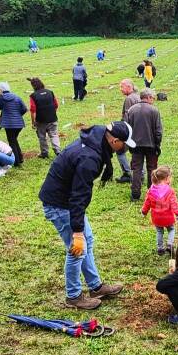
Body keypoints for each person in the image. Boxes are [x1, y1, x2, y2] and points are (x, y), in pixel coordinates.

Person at [39, 122, 133, 309]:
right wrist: (77, 232)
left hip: (66, 201)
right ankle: (73, 296)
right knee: (77, 249)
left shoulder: (96, 138)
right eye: (125, 145)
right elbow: (78, 196)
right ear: (114, 140)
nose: (126, 149)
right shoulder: (89, 157)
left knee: (87, 241)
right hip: (60, 205)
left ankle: (95, 286)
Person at [125, 88, 164, 202]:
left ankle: (135, 194)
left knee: (136, 169)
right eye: (152, 98)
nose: (153, 100)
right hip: (151, 145)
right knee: (152, 169)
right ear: (148, 97)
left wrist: (130, 143)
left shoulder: (131, 110)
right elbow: (158, 131)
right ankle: (152, 193)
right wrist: (158, 144)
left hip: (135, 145)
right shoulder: (154, 111)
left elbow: (127, 128)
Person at [141, 166, 178, 256]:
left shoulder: (151, 190)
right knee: (171, 229)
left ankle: (160, 248)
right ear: (167, 178)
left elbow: (147, 203)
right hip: (168, 217)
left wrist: (144, 212)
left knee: (159, 231)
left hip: (156, 218)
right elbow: (174, 204)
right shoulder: (169, 191)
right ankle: (170, 244)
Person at [0, 82, 28, 169]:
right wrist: (18, 116)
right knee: (14, 140)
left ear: (1, 90)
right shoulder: (16, 97)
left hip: (8, 124)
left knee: (12, 142)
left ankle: (16, 162)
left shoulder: (1, 97)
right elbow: (24, 109)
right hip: (19, 124)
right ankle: (20, 158)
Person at [27, 77, 61, 159]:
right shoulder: (50, 92)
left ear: (33, 86)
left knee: (42, 137)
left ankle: (44, 153)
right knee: (54, 135)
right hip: (53, 118)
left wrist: (33, 122)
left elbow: (32, 110)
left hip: (41, 121)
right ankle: (58, 151)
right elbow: (56, 105)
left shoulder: (33, 96)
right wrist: (51, 112)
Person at [115, 78, 139, 182]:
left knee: (119, 150)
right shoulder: (137, 96)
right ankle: (140, 175)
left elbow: (127, 117)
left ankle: (127, 173)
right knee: (137, 153)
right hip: (138, 129)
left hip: (130, 131)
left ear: (129, 87)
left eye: (122, 87)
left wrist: (122, 131)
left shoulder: (129, 99)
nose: (120, 89)